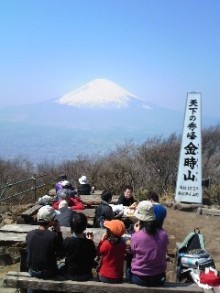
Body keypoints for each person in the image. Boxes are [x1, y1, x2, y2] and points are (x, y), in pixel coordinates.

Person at [127, 201, 169, 287]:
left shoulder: (136, 236)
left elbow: (132, 251)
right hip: (159, 278)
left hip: (139, 278)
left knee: (128, 258)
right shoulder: (163, 234)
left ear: (140, 219)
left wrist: (136, 233)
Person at [26, 205, 64, 292]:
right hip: (48, 272)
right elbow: (61, 254)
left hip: (33, 270)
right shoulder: (53, 236)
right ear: (51, 221)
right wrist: (58, 232)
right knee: (61, 265)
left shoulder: (30, 234)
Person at [60, 213, 96, 281]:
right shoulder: (89, 243)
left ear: (71, 227)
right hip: (85, 274)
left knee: (60, 266)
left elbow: (62, 254)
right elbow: (93, 256)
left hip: (70, 274)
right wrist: (90, 241)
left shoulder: (67, 241)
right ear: (85, 227)